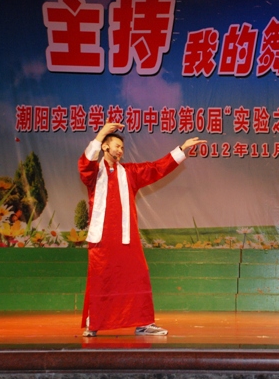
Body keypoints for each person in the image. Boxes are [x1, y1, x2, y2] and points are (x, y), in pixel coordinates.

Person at [78, 122, 206, 337]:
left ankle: (143, 323)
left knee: (138, 275)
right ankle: (95, 323)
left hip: (126, 236)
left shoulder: (129, 172)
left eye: (122, 147)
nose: (120, 150)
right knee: (102, 277)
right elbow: (85, 164)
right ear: (105, 147)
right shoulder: (94, 174)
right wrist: (101, 134)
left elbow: (156, 168)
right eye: (117, 146)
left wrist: (181, 149)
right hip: (102, 237)